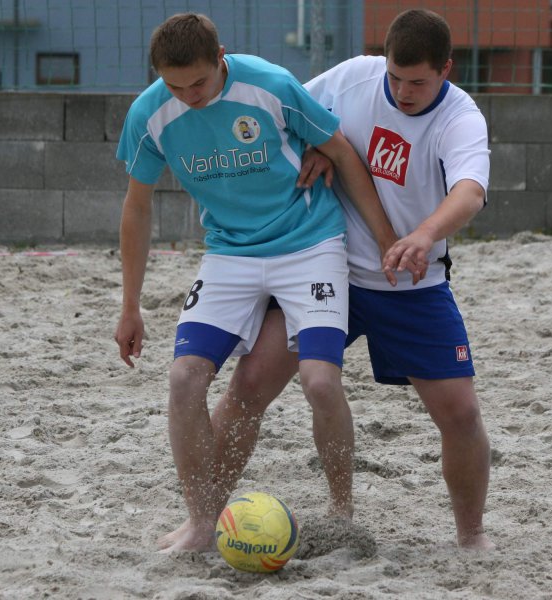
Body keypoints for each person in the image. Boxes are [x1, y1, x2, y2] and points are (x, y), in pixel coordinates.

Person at [113, 13, 410, 553]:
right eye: (174, 86)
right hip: (230, 253)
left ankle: (341, 512)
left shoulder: (268, 84)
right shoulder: (150, 113)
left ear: (221, 56)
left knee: (321, 382)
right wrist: (130, 305)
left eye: (199, 83)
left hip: (310, 245)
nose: (189, 96)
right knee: (184, 379)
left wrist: (388, 238)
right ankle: (203, 523)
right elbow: (136, 208)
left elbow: (340, 149)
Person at [202, 8, 495, 550]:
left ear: (447, 70)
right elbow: (286, 114)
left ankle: (471, 537)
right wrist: (316, 143)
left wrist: (424, 235)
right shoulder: (351, 78)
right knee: (247, 388)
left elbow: (470, 191)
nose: (404, 91)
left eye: (419, 82)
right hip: (321, 265)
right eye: (396, 77)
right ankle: (202, 519)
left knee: (460, 413)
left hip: (410, 283)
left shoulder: (460, 118)